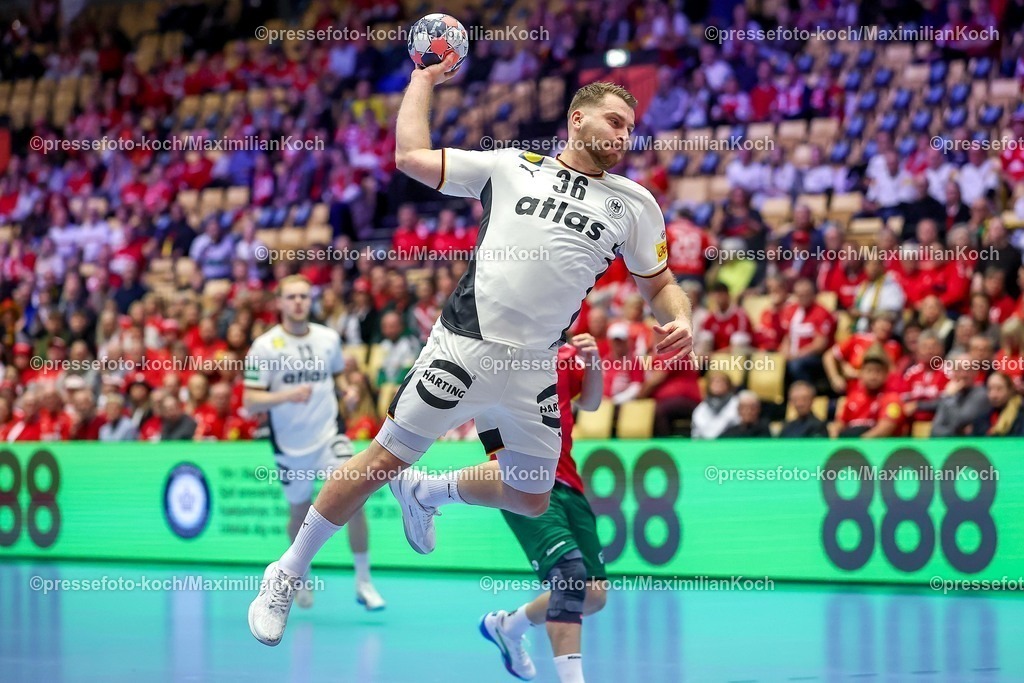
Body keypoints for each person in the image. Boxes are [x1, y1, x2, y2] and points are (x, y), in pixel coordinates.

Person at [248, 55, 695, 667]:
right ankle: (287, 572)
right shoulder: (510, 166)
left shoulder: (636, 204)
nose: (623, 136)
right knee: (382, 457)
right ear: (576, 118)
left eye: (629, 128)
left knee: (533, 495)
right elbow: (409, 156)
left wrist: (682, 316)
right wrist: (423, 79)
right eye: (613, 121)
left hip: (536, 367)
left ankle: (430, 493)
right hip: (464, 345)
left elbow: (660, 282)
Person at [244, 275, 385, 614]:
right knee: (298, 512)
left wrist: (346, 391)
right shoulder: (264, 347)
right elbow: (250, 401)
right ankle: (299, 577)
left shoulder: (328, 338)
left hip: (330, 436)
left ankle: (363, 581)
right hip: (291, 447)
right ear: (279, 302)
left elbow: (336, 376)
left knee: (355, 498)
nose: (298, 302)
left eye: (304, 297)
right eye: (291, 297)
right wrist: (287, 395)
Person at [481, 334, 608, 683]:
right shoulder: (501, 351)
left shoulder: (565, 354)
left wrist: (593, 360)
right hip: (523, 478)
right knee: (570, 579)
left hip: (569, 482)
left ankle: (509, 626)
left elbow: (593, 403)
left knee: (594, 595)